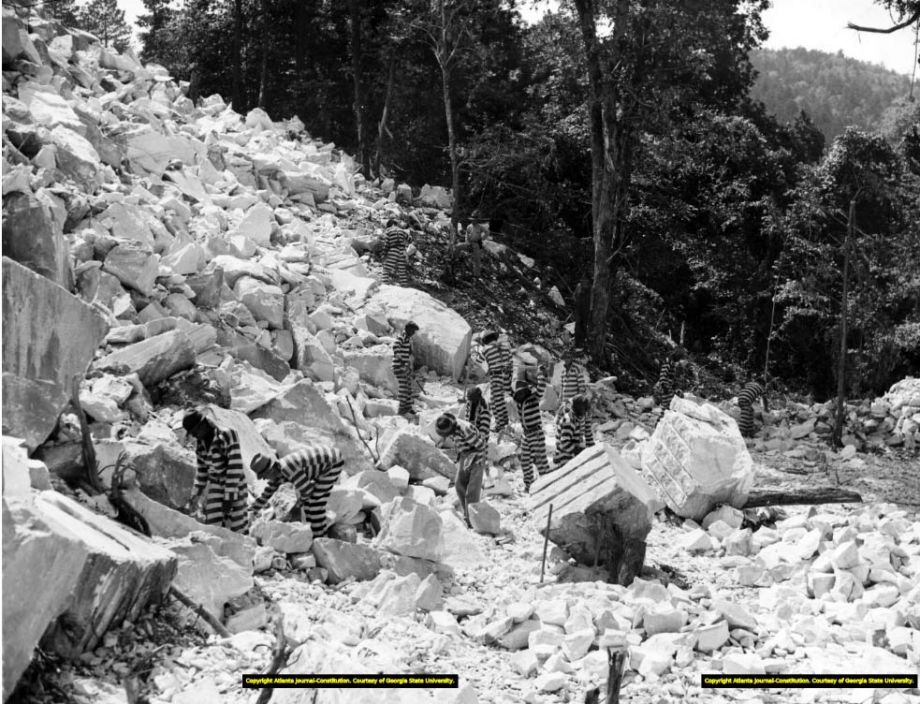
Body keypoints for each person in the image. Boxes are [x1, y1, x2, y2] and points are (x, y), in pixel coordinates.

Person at [250, 446, 345, 538]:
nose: (265, 479)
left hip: (332, 462)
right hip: (322, 463)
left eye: (264, 476)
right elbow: (267, 493)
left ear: (270, 471)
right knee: (308, 503)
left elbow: (307, 491)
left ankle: (320, 538)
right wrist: (251, 511)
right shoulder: (277, 472)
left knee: (316, 502)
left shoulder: (288, 468)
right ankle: (315, 532)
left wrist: (295, 507)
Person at [183, 409, 249, 533]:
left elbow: (235, 466)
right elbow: (202, 471)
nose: (194, 435)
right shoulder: (201, 445)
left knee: (237, 525)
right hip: (217, 484)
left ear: (203, 423)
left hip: (235, 484)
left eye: (195, 431)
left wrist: (229, 497)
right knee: (213, 524)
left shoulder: (227, 434)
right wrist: (195, 494)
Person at [435, 412, 487, 528]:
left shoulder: (465, 429)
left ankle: (472, 520)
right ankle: (467, 514)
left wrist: (475, 461)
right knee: (459, 484)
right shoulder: (449, 425)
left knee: (472, 490)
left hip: (476, 454)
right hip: (464, 454)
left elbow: (481, 445)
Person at [513, 370, 550, 492]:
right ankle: (529, 485)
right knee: (525, 461)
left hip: (536, 434)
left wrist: (540, 372)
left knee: (540, 461)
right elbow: (507, 389)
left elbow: (542, 386)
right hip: (526, 434)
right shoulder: (519, 403)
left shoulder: (533, 399)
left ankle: (547, 484)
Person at [480, 330, 513, 434]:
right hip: (506, 376)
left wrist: (473, 354)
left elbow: (477, 361)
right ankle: (503, 422)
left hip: (496, 376)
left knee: (497, 402)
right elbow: (510, 362)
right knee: (496, 401)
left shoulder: (486, 350)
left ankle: (501, 425)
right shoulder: (506, 347)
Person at [554, 394, 594, 467]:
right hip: (565, 455)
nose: (587, 413)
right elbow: (564, 443)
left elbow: (588, 433)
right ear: (580, 410)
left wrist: (592, 449)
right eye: (585, 410)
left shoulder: (579, 416)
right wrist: (580, 451)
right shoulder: (569, 421)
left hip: (573, 449)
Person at [393, 321, 418, 417]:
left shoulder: (407, 339)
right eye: (413, 331)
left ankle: (408, 407)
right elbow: (395, 346)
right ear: (408, 329)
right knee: (404, 388)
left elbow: (408, 355)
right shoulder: (402, 337)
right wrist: (401, 360)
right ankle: (401, 408)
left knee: (408, 388)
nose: (414, 333)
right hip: (399, 366)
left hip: (405, 367)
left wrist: (409, 368)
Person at [383, 219, 411, 286]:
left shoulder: (388, 231)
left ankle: (384, 283)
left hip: (393, 250)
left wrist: (383, 254)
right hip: (403, 251)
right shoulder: (403, 231)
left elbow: (386, 244)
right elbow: (409, 239)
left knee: (386, 268)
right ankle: (404, 286)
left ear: (390, 225)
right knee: (402, 270)